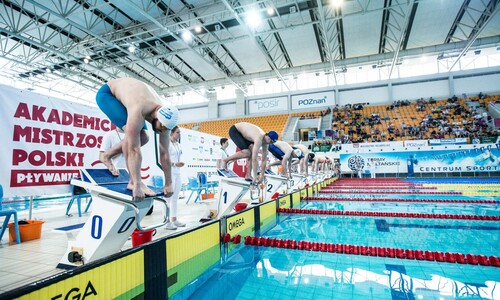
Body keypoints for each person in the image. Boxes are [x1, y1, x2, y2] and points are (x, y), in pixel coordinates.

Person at [96, 77, 179, 201]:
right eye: (162, 128)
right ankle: (132, 181)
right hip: (108, 95)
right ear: (157, 118)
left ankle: (107, 155)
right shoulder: (138, 109)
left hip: (133, 95)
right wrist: (138, 184)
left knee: (143, 137)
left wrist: (168, 183)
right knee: (134, 140)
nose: (163, 132)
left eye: (166, 129)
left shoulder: (165, 119)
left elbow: (165, 153)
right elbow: (133, 150)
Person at [164, 126, 186, 230]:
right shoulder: (166, 144)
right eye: (178, 132)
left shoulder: (178, 144)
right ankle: (166, 222)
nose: (179, 134)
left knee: (175, 198)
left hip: (177, 173)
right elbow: (163, 160)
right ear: (171, 133)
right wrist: (174, 164)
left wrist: (177, 165)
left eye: (180, 132)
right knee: (168, 198)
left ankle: (174, 219)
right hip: (170, 173)